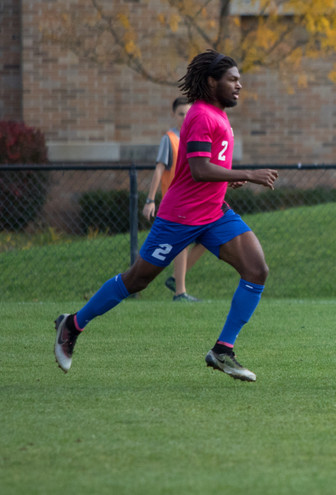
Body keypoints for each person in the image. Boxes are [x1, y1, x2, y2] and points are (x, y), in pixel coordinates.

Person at [53, 50, 279, 382]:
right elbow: (200, 170)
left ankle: (223, 351)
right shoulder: (202, 115)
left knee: (256, 270)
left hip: (215, 213)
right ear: (212, 81)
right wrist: (247, 173)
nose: (239, 85)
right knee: (136, 280)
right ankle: (72, 324)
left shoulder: (218, 114)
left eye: (239, 79)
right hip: (181, 217)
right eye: (233, 79)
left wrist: (231, 176)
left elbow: (206, 165)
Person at [142, 96, 206, 302]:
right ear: (173, 115)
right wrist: (150, 200)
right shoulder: (169, 139)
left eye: (189, 114)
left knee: (208, 238)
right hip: (177, 202)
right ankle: (180, 292)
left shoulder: (196, 137)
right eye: (181, 114)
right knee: (181, 243)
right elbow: (159, 169)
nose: (185, 118)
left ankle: (175, 278)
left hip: (196, 201)